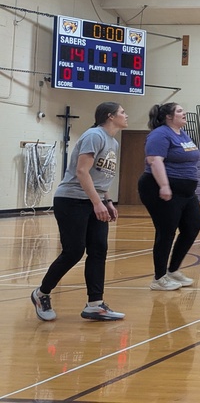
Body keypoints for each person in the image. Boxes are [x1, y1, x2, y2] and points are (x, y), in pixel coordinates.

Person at [30, 102, 129, 322]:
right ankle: (41, 293)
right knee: (73, 251)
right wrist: (97, 203)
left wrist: (107, 201)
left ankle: (95, 305)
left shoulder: (113, 142)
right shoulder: (94, 135)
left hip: (94, 200)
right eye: (122, 112)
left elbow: (100, 177)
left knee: (99, 250)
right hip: (72, 200)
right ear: (110, 116)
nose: (126, 115)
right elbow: (82, 172)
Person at [138, 103, 200, 292]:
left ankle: (173, 270)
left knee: (192, 227)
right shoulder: (160, 134)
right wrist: (164, 185)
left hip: (186, 192)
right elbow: (155, 160)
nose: (184, 113)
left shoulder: (182, 134)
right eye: (180, 111)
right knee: (166, 232)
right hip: (160, 187)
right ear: (168, 116)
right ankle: (159, 278)